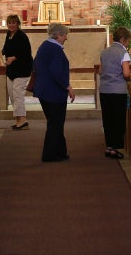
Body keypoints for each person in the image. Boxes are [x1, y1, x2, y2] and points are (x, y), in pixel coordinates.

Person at [32, 23, 76, 162]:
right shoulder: (55, 49)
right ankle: (49, 155)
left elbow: (36, 65)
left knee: (55, 123)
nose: (66, 38)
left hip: (45, 91)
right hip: (53, 93)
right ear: (58, 35)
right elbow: (56, 71)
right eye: (64, 35)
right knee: (55, 123)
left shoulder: (45, 46)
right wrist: (68, 86)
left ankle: (60, 152)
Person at [99, 27, 131, 159]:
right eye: (128, 41)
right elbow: (126, 73)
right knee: (118, 120)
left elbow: (101, 71)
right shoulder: (123, 53)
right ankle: (117, 147)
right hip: (118, 91)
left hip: (104, 90)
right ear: (123, 39)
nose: (128, 43)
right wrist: (130, 77)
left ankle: (109, 147)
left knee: (108, 119)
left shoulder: (104, 52)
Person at [2, 14, 34, 130]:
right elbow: (6, 48)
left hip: (22, 69)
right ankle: (18, 119)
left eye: (14, 23)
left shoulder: (21, 36)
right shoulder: (8, 34)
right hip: (11, 69)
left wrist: (14, 58)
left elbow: (26, 53)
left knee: (17, 94)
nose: (11, 25)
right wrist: (4, 54)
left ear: (18, 24)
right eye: (9, 23)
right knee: (11, 94)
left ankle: (23, 119)